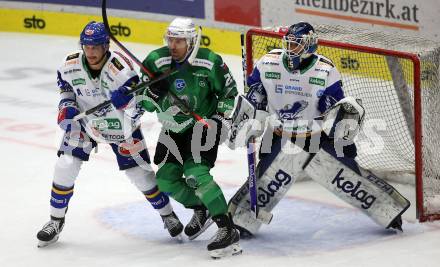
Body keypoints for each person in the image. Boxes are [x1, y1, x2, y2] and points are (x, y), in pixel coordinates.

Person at [227, 22, 409, 237]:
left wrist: (342, 139)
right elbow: (255, 98)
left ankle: (390, 212)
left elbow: (333, 109)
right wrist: (249, 117)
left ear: (309, 45)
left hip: (313, 137)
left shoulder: (325, 70)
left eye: (296, 44)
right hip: (277, 135)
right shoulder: (269, 63)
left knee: (350, 174)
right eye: (289, 43)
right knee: (265, 180)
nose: (290, 48)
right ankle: (241, 221)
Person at [36, 21, 183, 248]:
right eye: (87, 46)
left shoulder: (122, 71)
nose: (91, 52)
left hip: (120, 127)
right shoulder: (70, 63)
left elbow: (141, 104)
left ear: (106, 46)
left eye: (96, 46)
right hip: (85, 123)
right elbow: (65, 86)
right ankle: (55, 221)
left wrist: (127, 103)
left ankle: (167, 215)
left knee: (140, 176)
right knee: (65, 166)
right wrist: (66, 106)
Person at [124, 17, 241, 258]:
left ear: (192, 41)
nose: (173, 45)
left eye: (179, 41)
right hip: (172, 128)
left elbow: (229, 93)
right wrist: (152, 94)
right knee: (166, 181)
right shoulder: (156, 61)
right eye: (171, 40)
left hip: (202, 126)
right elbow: (141, 101)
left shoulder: (210, 62)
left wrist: (220, 118)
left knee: (196, 174)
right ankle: (201, 208)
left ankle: (226, 228)